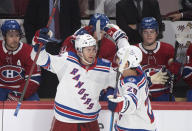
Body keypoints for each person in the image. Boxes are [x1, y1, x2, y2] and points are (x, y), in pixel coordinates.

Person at [31, 30, 117, 130]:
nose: (92, 53)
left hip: (90, 122)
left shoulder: (104, 68)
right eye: (88, 50)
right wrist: (38, 45)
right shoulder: (67, 60)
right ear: (79, 51)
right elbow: (40, 59)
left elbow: (120, 81)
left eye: (94, 49)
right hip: (65, 121)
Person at [24, 0, 81, 98]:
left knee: (65, 80)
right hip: (44, 45)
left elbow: (76, 23)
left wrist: (72, 43)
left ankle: (65, 104)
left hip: (65, 45)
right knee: (46, 83)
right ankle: (44, 106)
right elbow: (29, 23)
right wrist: (35, 43)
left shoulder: (71, 1)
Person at [108, 46, 156, 131]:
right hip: (143, 125)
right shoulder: (138, 69)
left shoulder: (130, 83)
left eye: (118, 59)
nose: (116, 61)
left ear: (126, 64)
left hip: (133, 127)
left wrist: (120, 104)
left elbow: (131, 99)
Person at [135, 17, 182, 101]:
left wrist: (175, 68)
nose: (149, 35)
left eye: (152, 31)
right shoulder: (134, 50)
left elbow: (173, 70)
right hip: (140, 95)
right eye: (145, 32)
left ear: (157, 33)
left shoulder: (167, 48)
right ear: (141, 33)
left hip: (164, 94)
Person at [0, 20, 40, 101]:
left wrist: (19, 94)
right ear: (4, 37)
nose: (15, 39)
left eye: (17, 35)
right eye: (11, 36)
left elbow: (34, 79)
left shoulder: (30, 51)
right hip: (1, 88)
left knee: (35, 105)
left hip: (22, 88)